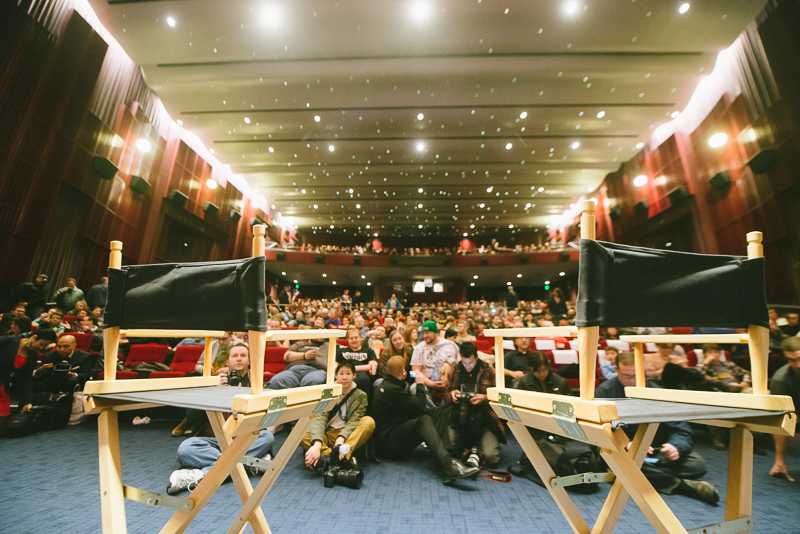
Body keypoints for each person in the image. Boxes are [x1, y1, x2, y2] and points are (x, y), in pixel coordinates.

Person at [596, 352, 719, 504]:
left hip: (655, 451)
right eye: (626, 376)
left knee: (697, 464)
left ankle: (634, 472)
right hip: (624, 452)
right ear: (616, 369)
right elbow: (600, 431)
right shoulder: (604, 392)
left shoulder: (656, 392)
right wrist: (626, 444)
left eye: (636, 375)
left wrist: (676, 447)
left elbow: (681, 428)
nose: (632, 381)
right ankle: (683, 486)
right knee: (617, 461)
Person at [167, 343, 274, 494]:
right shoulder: (213, 383)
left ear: (249, 361)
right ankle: (249, 464)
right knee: (185, 448)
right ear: (227, 362)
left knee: (267, 437)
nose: (239, 359)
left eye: (243, 356)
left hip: (242, 440)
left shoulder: (256, 386)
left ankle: (201, 475)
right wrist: (214, 393)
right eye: (234, 356)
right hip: (210, 441)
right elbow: (190, 417)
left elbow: (263, 420)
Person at [372, 356, 481, 484]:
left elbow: (412, 409)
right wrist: (420, 384)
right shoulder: (391, 390)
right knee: (423, 420)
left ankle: (448, 458)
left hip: (392, 433)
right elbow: (419, 405)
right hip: (389, 445)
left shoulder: (390, 385)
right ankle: (448, 464)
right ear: (404, 373)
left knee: (435, 412)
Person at [301, 361, 375, 468]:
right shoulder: (327, 393)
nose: (344, 377)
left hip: (348, 436)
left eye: (348, 373)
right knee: (300, 432)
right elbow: (320, 418)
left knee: (368, 421)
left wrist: (341, 438)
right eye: (341, 373)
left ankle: (334, 457)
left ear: (354, 375)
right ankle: (337, 459)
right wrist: (317, 443)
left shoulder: (361, 396)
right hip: (327, 433)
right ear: (336, 375)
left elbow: (354, 421)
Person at [444, 342, 505, 466]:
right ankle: (471, 449)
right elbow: (445, 395)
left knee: (492, 458)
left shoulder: (488, 370)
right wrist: (451, 395)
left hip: (484, 420)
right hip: (459, 419)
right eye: (464, 362)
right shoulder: (455, 369)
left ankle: (475, 450)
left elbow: (500, 397)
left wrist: (484, 397)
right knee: (447, 452)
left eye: (470, 363)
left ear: (477, 357)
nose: (467, 366)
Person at [0, 329, 59, 432]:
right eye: (41, 344)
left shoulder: (32, 355)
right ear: (34, 337)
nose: (41, 348)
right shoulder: (7, 341)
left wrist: (27, 401)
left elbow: (26, 379)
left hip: (3, 388)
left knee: (3, 422)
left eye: (44, 347)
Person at [769, 337, 800, 481]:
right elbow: (779, 414)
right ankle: (779, 463)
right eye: (792, 360)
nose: (798, 364)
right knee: (780, 417)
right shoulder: (781, 379)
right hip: (794, 410)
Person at [410, 321, 459, 400]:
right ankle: (434, 411)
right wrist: (430, 383)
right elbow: (413, 373)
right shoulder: (419, 348)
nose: (424, 336)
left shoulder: (451, 346)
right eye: (423, 333)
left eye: (427, 332)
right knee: (413, 388)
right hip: (426, 383)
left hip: (448, 383)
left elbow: (459, 366)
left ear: (435, 332)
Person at [338, 328, 377, 398]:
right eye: (351, 338)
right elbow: (335, 365)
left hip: (361, 374)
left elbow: (372, 366)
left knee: (362, 379)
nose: (354, 340)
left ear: (360, 338)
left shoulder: (368, 351)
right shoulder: (341, 351)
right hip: (344, 373)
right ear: (348, 340)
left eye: (356, 337)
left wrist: (354, 368)